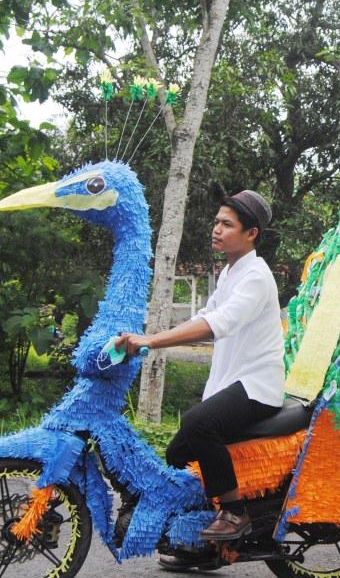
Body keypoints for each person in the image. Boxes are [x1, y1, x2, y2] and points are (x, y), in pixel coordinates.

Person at [113, 189, 284, 546]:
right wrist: (147, 334)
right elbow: (204, 315)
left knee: (198, 422)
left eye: (227, 224)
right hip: (232, 383)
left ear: (251, 233)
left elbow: (216, 324)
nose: (216, 229)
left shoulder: (256, 276)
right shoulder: (230, 272)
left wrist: (152, 342)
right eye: (216, 221)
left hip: (258, 387)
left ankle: (235, 512)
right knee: (177, 453)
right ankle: (195, 540)